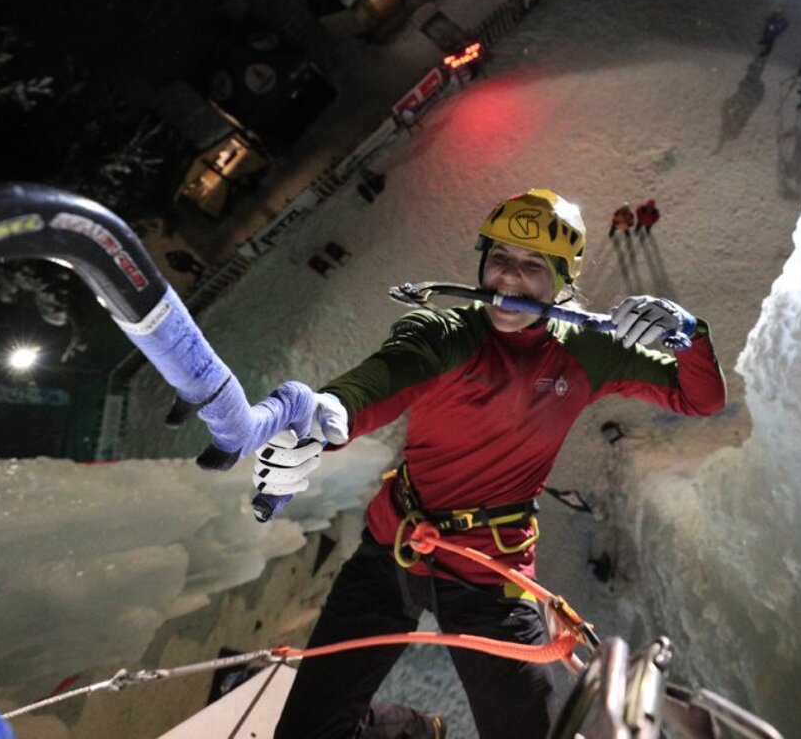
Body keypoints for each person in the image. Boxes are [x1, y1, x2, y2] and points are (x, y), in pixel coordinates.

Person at [258, 189, 726, 739]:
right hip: (390, 550)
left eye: (532, 267)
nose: (508, 280)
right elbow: (386, 375)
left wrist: (691, 338)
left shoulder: (585, 351)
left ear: (562, 283)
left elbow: (701, 399)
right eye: (499, 259)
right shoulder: (447, 334)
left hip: (487, 579)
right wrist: (326, 414)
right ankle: (410, 732)